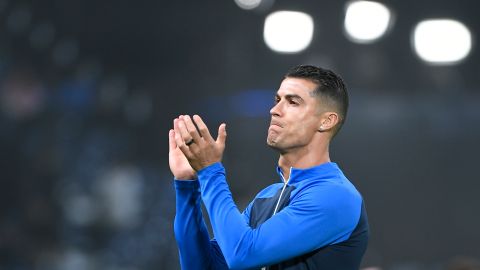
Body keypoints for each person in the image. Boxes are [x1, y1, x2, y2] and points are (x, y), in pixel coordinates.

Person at [168, 65, 369, 270]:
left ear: (326, 121)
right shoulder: (266, 197)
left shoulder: (335, 195)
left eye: (292, 102)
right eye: (277, 100)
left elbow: (243, 254)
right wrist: (187, 185)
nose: (274, 110)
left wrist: (210, 170)